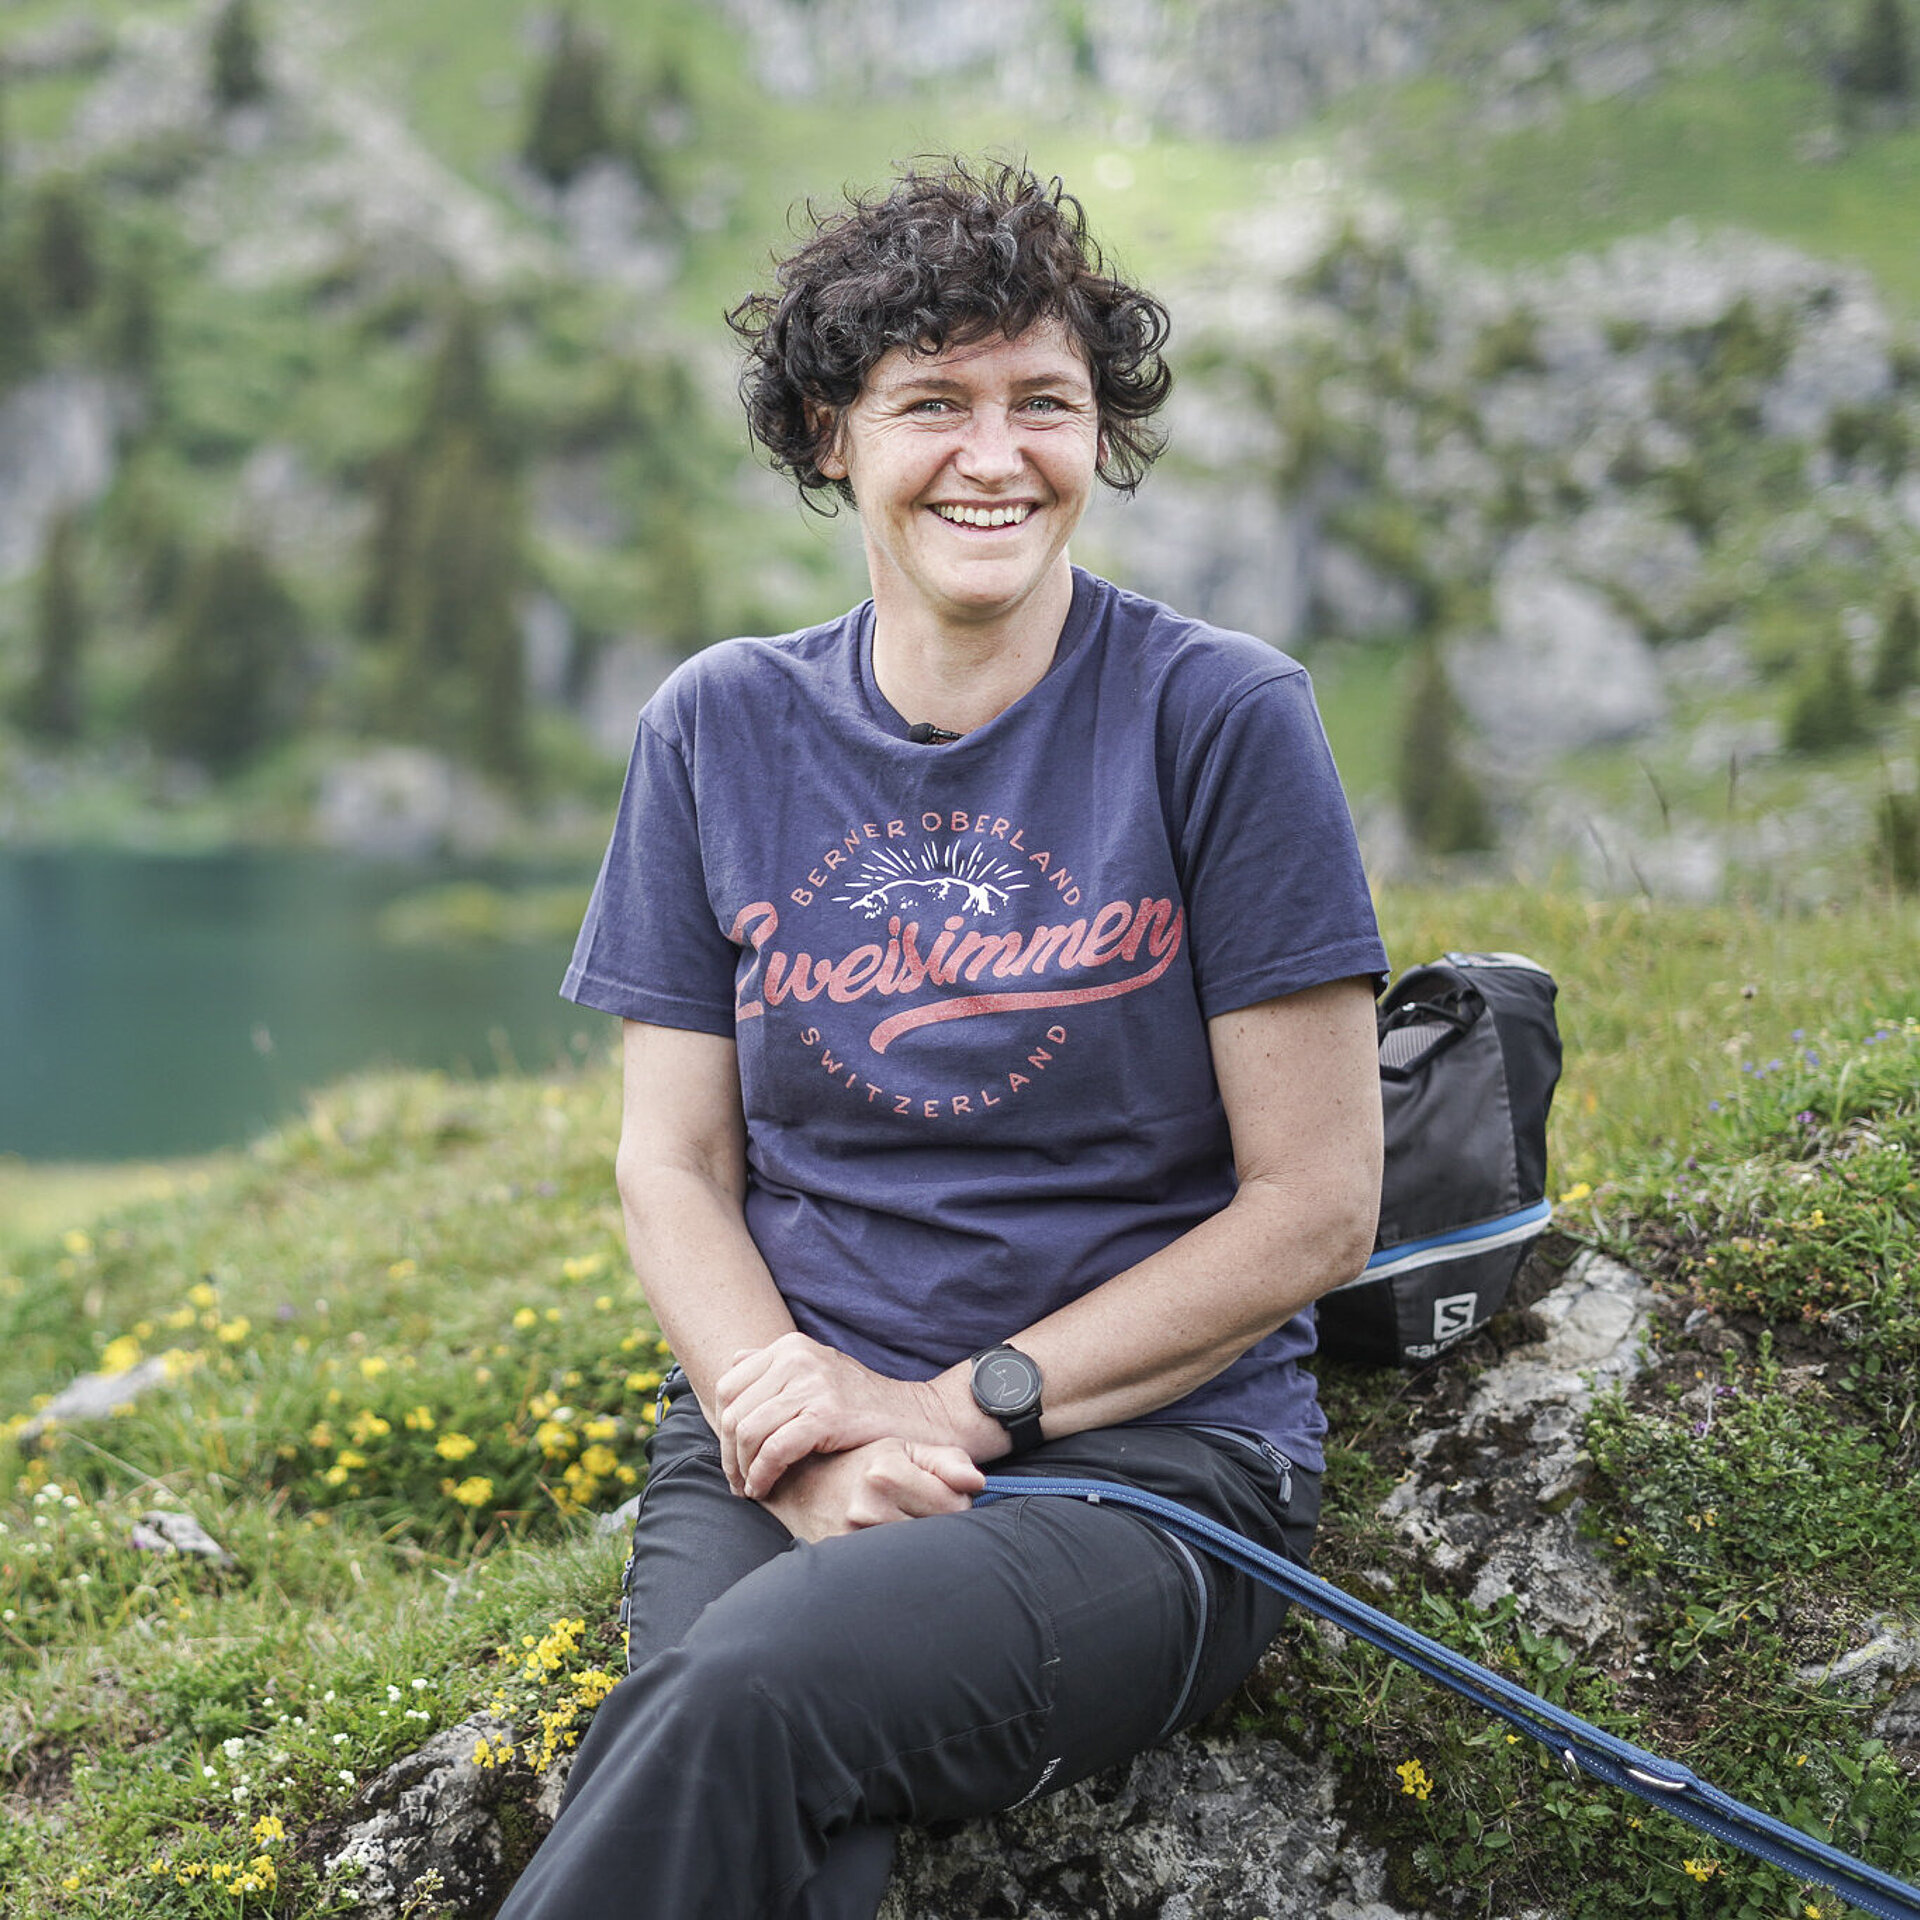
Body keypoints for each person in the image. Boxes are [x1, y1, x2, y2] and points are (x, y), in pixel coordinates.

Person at [499, 157, 1387, 1920]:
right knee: (768, 1779)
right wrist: (800, 1426)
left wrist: (953, 1409)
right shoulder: (719, 727)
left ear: (1100, 432)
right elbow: (670, 1162)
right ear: (834, 437)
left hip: (1142, 1472)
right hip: (778, 1436)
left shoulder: (1220, 715)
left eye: (1042, 402)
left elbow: (1316, 1208)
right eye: (933, 405)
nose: (996, 456)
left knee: (742, 1701)